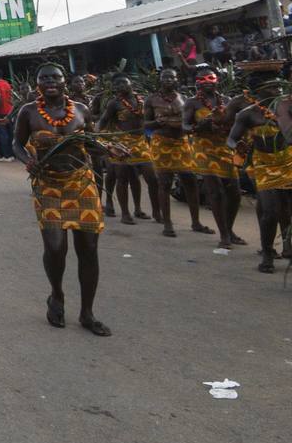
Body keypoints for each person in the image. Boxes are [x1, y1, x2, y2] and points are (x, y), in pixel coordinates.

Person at [14, 63, 116, 337]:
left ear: (64, 82)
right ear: (38, 83)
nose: (50, 82)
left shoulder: (81, 110)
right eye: (44, 78)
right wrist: (28, 161)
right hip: (48, 186)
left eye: (55, 77)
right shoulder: (29, 112)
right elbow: (17, 144)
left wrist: (110, 150)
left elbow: (92, 142)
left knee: (88, 249)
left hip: (81, 184)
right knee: (56, 247)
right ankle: (56, 294)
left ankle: (87, 313)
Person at [227, 66, 292, 273]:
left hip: (289, 162)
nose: (277, 91)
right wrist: (236, 146)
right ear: (258, 91)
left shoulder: (287, 107)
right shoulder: (247, 115)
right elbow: (231, 138)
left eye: (278, 86)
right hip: (264, 166)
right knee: (270, 212)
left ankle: (288, 248)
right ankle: (267, 253)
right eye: (271, 88)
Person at [145, 68, 212, 236]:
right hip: (161, 143)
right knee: (165, 183)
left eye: (171, 77)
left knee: (190, 180)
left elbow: (189, 122)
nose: (168, 80)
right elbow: (145, 125)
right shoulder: (151, 100)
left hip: (182, 143)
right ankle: (167, 224)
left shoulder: (184, 99)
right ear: (160, 80)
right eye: (164, 78)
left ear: (177, 80)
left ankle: (196, 222)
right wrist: (157, 122)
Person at [183, 67, 243, 249]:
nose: (207, 82)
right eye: (202, 79)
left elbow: (237, 123)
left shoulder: (227, 101)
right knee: (216, 192)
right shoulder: (191, 103)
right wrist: (199, 125)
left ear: (217, 81)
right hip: (204, 149)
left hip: (225, 148)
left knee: (235, 194)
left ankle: (229, 230)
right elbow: (185, 126)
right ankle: (224, 235)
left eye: (210, 78)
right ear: (197, 83)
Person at [95, 74, 163, 230]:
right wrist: (101, 140)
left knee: (152, 178)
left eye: (123, 83)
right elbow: (103, 121)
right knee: (122, 178)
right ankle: (125, 213)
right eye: (117, 85)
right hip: (122, 143)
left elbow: (150, 119)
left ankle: (156, 212)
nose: (120, 86)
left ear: (130, 83)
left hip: (141, 143)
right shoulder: (114, 103)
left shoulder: (143, 101)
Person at [0, 69, 15, 160]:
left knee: (3, 134)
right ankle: (11, 154)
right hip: (10, 111)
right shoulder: (7, 83)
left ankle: (6, 155)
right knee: (10, 133)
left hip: (2, 112)